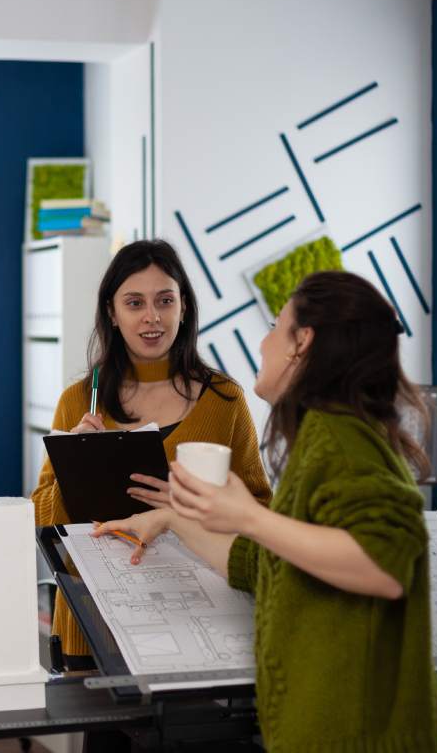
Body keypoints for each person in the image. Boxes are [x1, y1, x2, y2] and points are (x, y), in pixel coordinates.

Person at [98, 270, 437, 750]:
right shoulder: (324, 436)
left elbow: (383, 565)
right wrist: (173, 518)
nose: (262, 344)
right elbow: (265, 565)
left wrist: (250, 517)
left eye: (274, 326)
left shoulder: (340, 440)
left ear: (301, 342)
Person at [31, 238, 271, 668]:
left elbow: (259, 513)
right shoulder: (80, 400)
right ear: (112, 312)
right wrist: (76, 466)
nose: (152, 317)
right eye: (135, 302)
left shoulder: (225, 401)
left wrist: (189, 510)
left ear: (184, 308)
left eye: (165, 300)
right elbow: (40, 518)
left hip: (198, 618)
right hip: (94, 618)